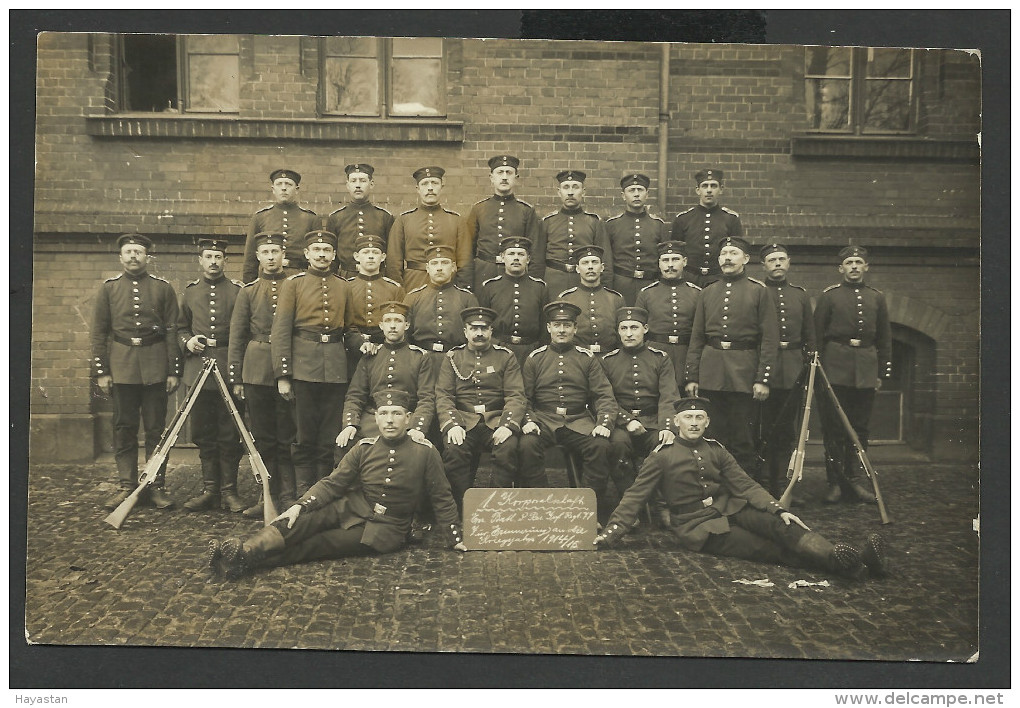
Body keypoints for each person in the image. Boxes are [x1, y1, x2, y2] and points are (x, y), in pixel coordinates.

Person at [595, 397, 889, 581]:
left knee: (781, 526)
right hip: (699, 526)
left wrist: (777, 508)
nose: (694, 423)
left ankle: (845, 558)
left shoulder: (717, 450)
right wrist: (610, 534)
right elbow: (634, 496)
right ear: (676, 421)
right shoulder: (661, 456)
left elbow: (744, 484)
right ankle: (855, 564)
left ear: (707, 422)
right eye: (688, 418)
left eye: (699, 418)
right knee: (767, 548)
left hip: (730, 507)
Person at [207, 389, 466, 581]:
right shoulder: (364, 448)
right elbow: (333, 483)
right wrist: (300, 505)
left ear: (408, 418)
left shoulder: (425, 452)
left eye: (396, 414)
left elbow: (441, 496)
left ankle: (243, 561)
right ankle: (245, 549)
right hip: (352, 507)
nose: (389, 420)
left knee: (319, 544)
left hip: (386, 528)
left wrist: (454, 538)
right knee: (298, 523)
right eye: (384, 414)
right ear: (375, 418)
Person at [91, 233, 180, 511]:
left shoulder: (163, 289)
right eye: (128, 252)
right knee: (124, 428)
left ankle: (154, 485)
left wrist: (173, 370)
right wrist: (102, 371)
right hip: (122, 365)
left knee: (156, 429)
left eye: (138, 252)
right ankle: (127, 485)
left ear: (147, 257)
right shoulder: (109, 289)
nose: (133, 256)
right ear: (121, 257)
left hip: (155, 365)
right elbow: (99, 333)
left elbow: (172, 331)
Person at [685, 236, 779, 478]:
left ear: (746, 259)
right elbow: (697, 337)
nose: (727, 258)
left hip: (744, 373)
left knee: (742, 438)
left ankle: (743, 492)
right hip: (711, 371)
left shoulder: (759, 292)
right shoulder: (708, 292)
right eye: (724, 254)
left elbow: (769, 338)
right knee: (713, 435)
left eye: (733, 253)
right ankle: (715, 487)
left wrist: (763, 379)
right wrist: (692, 376)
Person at [519, 301, 619, 524]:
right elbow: (523, 397)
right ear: (549, 328)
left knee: (601, 446)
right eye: (557, 325)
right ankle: (541, 505)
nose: (561, 330)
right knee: (526, 444)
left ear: (575, 328)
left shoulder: (587, 359)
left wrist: (604, 423)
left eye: (566, 325)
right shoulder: (535, 358)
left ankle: (587, 511)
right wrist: (528, 420)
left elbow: (603, 395)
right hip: (544, 419)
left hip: (578, 420)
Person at [271, 229, 353, 498]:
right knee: (304, 434)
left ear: (333, 254)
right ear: (307, 254)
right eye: (316, 250)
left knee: (329, 434)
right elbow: (281, 331)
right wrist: (284, 374)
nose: (321, 254)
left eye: (327, 250)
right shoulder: (293, 285)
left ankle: (323, 489)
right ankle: (304, 491)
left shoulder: (344, 286)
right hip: (304, 367)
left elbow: (349, 328)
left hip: (336, 368)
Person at [814, 245, 892, 504]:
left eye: (859, 262)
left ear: (866, 267)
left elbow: (884, 338)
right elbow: (816, 337)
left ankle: (855, 481)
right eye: (849, 263)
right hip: (835, 368)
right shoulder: (829, 297)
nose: (855, 267)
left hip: (866, 369)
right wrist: (819, 370)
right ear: (841, 268)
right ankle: (836, 482)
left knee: (859, 429)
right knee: (835, 428)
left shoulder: (876, 297)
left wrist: (880, 371)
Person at [227, 233, 297, 518]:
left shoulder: (296, 286)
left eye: (275, 251)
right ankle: (267, 493)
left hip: (289, 367)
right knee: (263, 437)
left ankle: (290, 495)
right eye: (265, 252)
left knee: (288, 435)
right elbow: (237, 335)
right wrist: (237, 377)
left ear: (284, 255)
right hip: (256, 368)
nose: (271, 257)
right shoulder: (248, 291)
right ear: (257, 256)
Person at [435, 307, 528, 513]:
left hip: (495, 419)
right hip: (463, 419)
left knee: (508, 447)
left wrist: (507, 425)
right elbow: (444, 395)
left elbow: (515, 395)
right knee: (453, 449)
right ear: (465, 331)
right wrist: (452, 424)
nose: (479, 333)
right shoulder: (453, 357)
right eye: (473, 328)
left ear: (491, 331)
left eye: (483, 328)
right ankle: (461, 509)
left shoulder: (505, 357)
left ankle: (495, 507)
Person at [178, 239, 246, 513]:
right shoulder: (190, 292)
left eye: (218, 256)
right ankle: (209, 491)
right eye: (209, 256)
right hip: (199, 371)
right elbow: (180, 327)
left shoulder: (238, 291)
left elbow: (244, 330)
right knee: (204, 433)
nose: (214, 261)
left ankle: (230, 491)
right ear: (201, 260)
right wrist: (188, 341)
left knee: (230, 432)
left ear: (225, 260)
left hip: (228, 366)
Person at [600, 306, 680, 504]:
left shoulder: (660, 359)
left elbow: (669, 395)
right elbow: (603, 398)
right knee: (617, 444)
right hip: (621, 424)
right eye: (624, 328)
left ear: (645, 328)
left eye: (634, 327)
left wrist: (667, 427)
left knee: (665, 446)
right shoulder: (607, 361)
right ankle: (629, 502)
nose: (629, 333)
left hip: (652, 422)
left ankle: (661, 504)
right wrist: (627, 421)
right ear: (617, 331)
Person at [756, 243, 817, 498]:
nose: (777, 263)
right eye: (772, 260)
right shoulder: (757, 292)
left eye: (781, 259)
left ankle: (783, 483)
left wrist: (810, 367)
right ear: (764, 266)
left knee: (787, 430)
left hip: (792, 367)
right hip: (762, 367)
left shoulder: (800, 295)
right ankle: (762, 483)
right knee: (763, 427)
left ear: (789, 263)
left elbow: (810, 335)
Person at [336, 301, 435, 456]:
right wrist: (350, 424)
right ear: (381, 326)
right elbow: (355, 395)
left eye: (398, 321)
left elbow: (427, 398)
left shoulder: (420, 357)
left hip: (406, 422)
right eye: (388, 321)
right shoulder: (370, 356)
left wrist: (417, 428)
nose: (393, 326)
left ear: (407, 325)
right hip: (372, 421)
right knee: (346, 444)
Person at [386, 166, 472, 291]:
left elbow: (465, 261)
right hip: (413, 282)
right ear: (418, 189)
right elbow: (394, 262)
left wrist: (462, 290)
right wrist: (399, 290)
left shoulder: (456, 220)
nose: (430, 188)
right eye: (425, 183)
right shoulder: (404, 220)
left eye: (435, 183)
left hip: (449, 284)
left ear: (442, 187)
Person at [466, 155, 543, 291]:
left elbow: (535, 250)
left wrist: (531, 282)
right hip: (483, 271)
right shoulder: (479, 209)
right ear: (491, 178)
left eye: (509, 172)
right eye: (500, 172)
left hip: (516, 274)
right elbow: (468, 249)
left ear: (516, 178)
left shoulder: (526, 210)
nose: (504, 177)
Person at [635, 240, 702, 388]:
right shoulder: (646, 294)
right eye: (665, 260)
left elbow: (700, 334)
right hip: (655, 355)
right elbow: (638, 331)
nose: (670, 265)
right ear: (659, 264)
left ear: (684, 262)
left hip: (686, 356)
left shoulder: (697, 293)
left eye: (675, 259)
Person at [476, 236, 549, 367]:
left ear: (528, 259)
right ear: (502, 257)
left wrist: (539, 352)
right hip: (498, 351)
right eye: (511, 254)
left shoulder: (540, 288)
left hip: (530, 352)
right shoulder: (490, 287)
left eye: (521, 254)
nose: (516, 258)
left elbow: (545, 326)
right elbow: (483, 322)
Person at [540, 169, 611, 298]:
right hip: (553, 281)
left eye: (575, 187)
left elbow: (605, 259)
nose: (571, 192)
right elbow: (537, 259)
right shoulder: (548, 222)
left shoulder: (594, 222)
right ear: (559, 192)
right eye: (566, 187)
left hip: (583, 282)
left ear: (583, 192)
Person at [342, 233, 406, 378]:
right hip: (352, 349)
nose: (371, 256)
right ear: (357, 256)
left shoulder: (394, 288)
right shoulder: (346, 286)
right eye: (366, 252)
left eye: (375, 253)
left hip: (385, 347)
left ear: (383, 257)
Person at [404, 244, 480, 365]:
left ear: (454, 267)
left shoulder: (467, 298)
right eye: (434, 263)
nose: (439, 268)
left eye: (444, 263)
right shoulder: (413, 297)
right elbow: (405, 334)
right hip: (420, 360)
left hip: (457, 360)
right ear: (427, 268)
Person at [241, 169, 321, 283]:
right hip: (268, 278)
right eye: (279, 184)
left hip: (300, 278)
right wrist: (249, 286)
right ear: (273, 189)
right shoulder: (260, 217)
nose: (284, 188)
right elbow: (250, 258)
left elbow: (317, 254)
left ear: (296, 189)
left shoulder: (311, 218)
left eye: (288, 184)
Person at [670, 168, 743, 288]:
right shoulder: (683, 219)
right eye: (705, 186)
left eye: (713, 186)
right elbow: (676, 252)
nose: (709, 190)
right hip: (689, 278)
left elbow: (737, 252)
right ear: (698, 190)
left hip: (719, 278)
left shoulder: (731, 219)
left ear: (721, 189)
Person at [602, 173, 668, 305]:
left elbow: (665, 259)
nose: (636, 194)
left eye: (640, 190)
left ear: (647, 194)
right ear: (623, 195)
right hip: (622, 284)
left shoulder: (658, 224)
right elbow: (607, 261)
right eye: (631, 190)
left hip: (651, 284)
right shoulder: (612, 225)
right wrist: (608, 289)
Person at [325, 163, 394, 278]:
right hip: (345, 276)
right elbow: (332, 255)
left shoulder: (384, 217)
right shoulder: (336, 217)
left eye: (362, 180)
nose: (358, 185)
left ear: (371, 184)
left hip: (376, 276)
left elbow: (391, 255)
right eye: (353, 181)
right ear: (347, 185)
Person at [557, 245, 625, 355]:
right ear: (578, 269)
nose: (590, 267)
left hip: (609, 357)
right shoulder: (566, 298)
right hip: (577, 358)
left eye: (594, 262)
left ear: (602, 267)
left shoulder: (616, 299)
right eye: (585, 263)